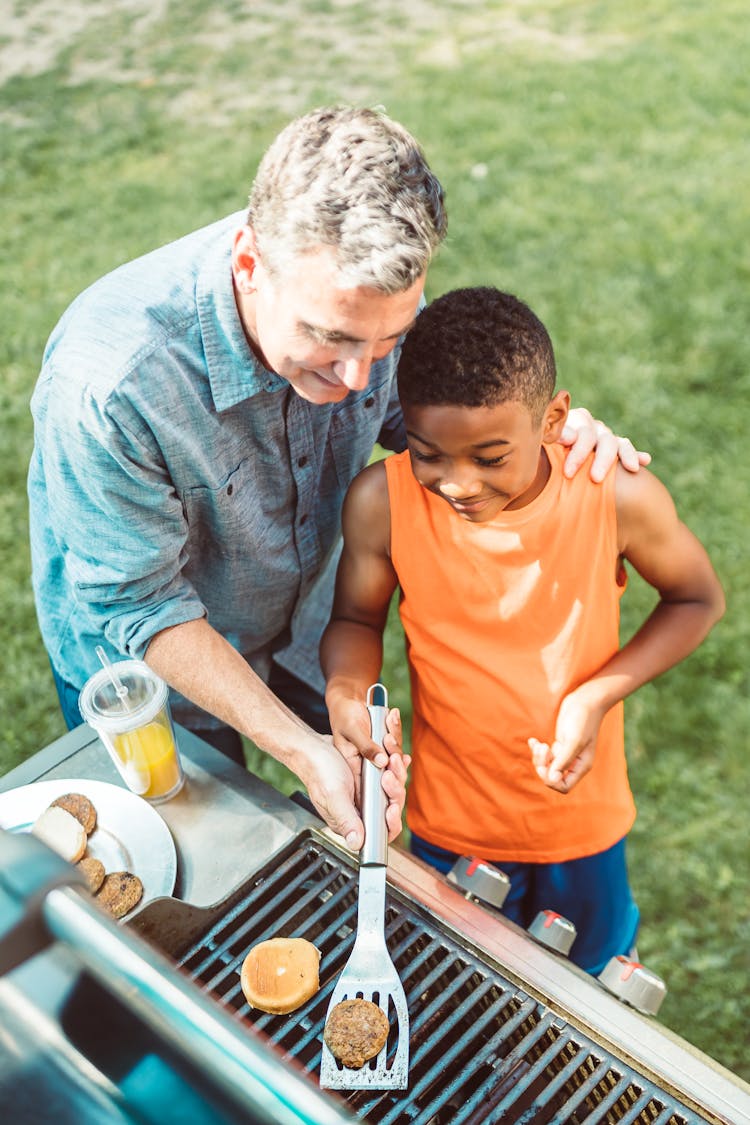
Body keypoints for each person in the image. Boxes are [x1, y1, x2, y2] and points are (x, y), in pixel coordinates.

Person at [28, 106, 645, 854]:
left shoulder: (362, 300)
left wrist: (553, 442)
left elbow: (432, 430)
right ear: (250, 265)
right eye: (332, 339)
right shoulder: (112, 382)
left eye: (388, 338)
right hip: (155, 673)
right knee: (195, 872)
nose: (360, 379)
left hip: (308, 633)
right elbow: (140, 603)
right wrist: (297, 745)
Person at [320, 286, 724, 972]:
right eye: (429, 453)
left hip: (581, 820)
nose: (457, 483)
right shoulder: (380, 503)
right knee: (467, 979)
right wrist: (347, 686)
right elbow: (356, 617)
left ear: (554, 418)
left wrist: (594, 697)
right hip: (452, 816)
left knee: (592, 987)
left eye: (488, 455)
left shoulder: (616, 497)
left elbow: (696, 598)